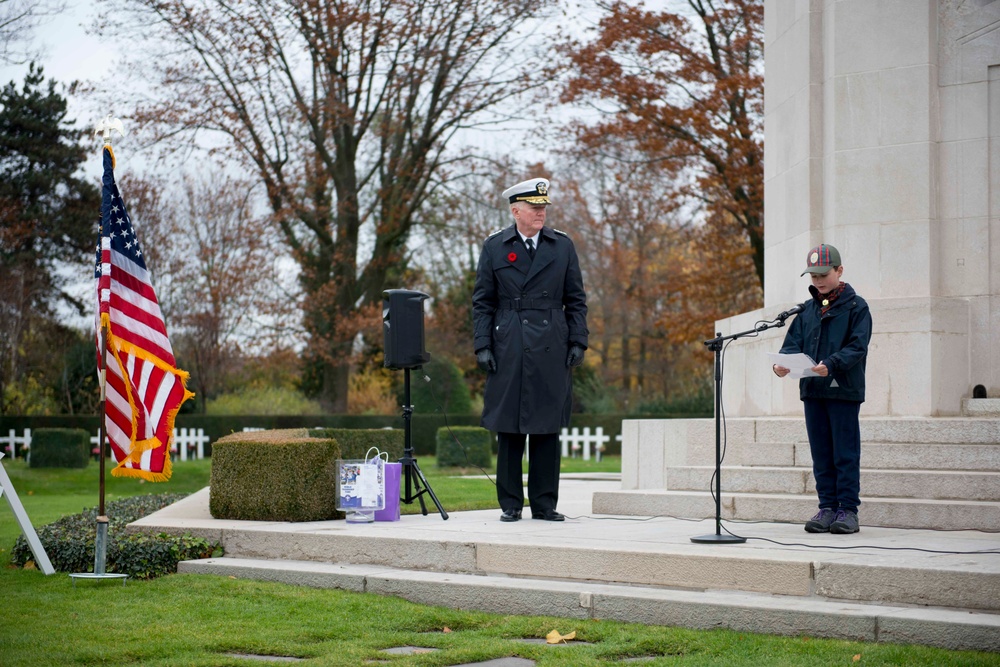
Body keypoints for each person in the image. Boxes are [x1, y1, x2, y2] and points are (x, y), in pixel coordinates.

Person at [472, 177, 589, 522]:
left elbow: (576, 300)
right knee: (509, 427)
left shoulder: (562, 246)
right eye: (534, 208)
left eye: (543, 208)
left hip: (552, 342)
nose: (541, 214)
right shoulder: (495, 246)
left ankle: (544, 504)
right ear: (515, 211)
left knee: (546, 427)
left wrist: (578, 340)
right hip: (509, 341)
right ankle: (510, 503)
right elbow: (482, 302)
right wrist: (483, 344)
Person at [773, 244, 872, 534]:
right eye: (813, 276)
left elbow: (858, 346)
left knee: (844, 452)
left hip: (842, 389)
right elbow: (792, 345)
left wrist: (832, 363)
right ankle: (827, 507)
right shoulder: (806, 311)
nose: (817, 281)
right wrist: (781, 365)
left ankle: (847, 511)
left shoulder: (857, 307)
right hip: (814, 391)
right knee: (821, 453)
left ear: (839, 271)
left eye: (823, 274)